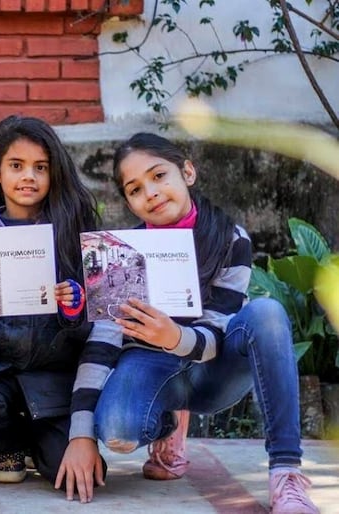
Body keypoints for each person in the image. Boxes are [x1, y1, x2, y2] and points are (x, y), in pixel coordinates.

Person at [88, 132, 318, 513]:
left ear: (188, 172)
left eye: (159, 175)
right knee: (116, 432)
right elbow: (104, 339)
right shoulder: (120, 252)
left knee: (268, 313)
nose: (151, 192)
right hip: (150, 362)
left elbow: (217, 329)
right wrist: (81, 432)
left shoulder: (231, 240)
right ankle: (167, 424)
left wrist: (175, 335)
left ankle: (286, 472)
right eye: (135, 188)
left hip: (213, 368)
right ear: (128, 201)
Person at [0, 115, 110, 501]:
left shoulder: (72, 233)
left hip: (54, 374)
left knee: (76, 475)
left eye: (40, 168)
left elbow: (88, 330)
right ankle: (8, 445)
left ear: (53, 173)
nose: (28, 177)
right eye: (16, 166)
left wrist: (74, 310)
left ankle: (40, 440)